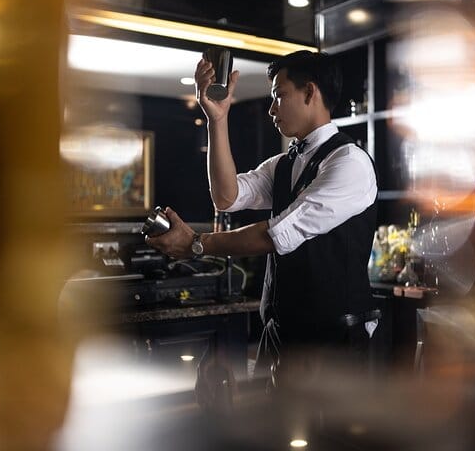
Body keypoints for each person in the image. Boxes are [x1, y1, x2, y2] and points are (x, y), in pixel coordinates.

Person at [146, 50, 379, 388]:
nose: (271, 109)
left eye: (278, 96)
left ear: (310, 92)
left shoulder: (349, 162)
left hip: (333, 340)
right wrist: (217, 120)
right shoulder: (284, 164)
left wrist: (196, 244)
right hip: (280, 331)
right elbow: (226, 197)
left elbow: (276, 234)